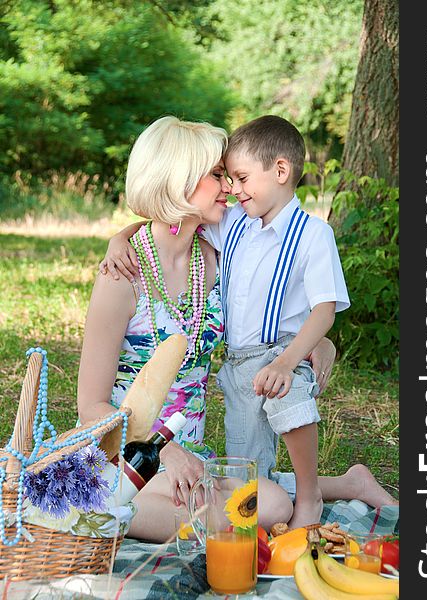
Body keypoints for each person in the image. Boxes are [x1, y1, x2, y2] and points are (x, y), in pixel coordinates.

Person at [100, 115, 398, 532]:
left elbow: (307, 304)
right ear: (179, 182)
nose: (230, 188)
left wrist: (313, 344)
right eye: (220, 175)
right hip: (130, 449)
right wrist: (120, 238)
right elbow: (89, 407)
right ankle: (93, 515)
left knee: (268, 496)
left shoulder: (223, 251)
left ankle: (326, 489)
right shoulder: (133, 269)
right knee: (246, 493)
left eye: (234, 176)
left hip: (217, 426)